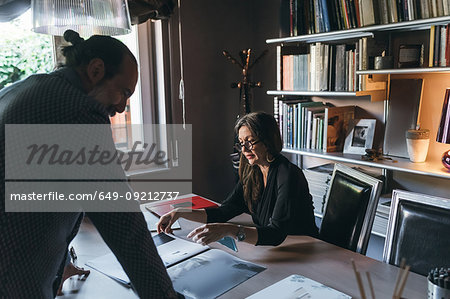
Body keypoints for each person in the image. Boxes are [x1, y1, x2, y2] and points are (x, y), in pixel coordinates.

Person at [0, 30, 180, 298]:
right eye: (123, 92)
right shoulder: (76, 110)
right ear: (96, 69)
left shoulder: (21, 89)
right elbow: (124, 227)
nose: (122, 106)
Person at [157, 112, 318, 246]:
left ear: (268, 141)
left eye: (250, 141)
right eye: (241, 143)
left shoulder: (288, 174)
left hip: (305, 247)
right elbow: (223, 211)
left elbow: (276, 234)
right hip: (279, 248)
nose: (243, 149)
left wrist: (229, 230)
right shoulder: (252, 170)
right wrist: (179, 213)